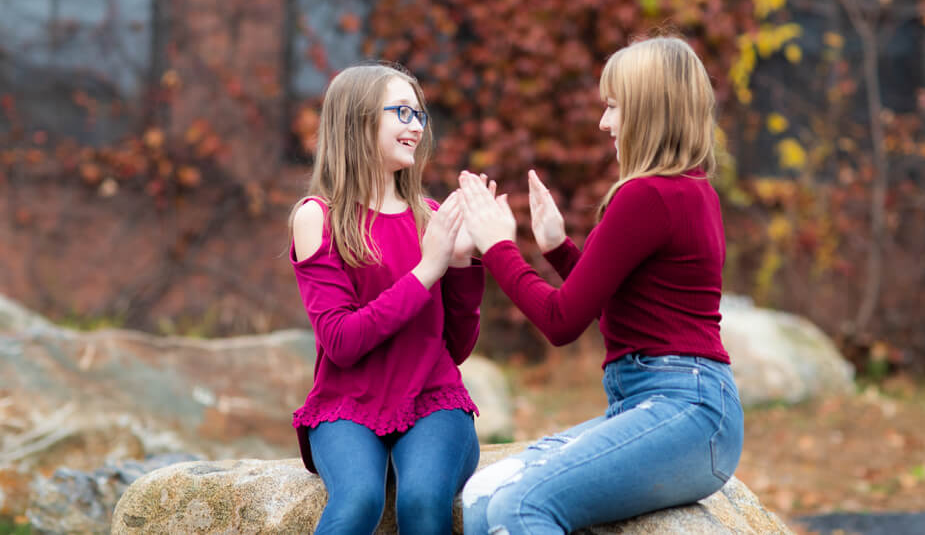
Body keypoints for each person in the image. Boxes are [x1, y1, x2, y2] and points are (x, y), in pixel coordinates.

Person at [457, 36, 744, 534]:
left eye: (614, 106)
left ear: (648, 110)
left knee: (517, 507)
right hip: (670, 408)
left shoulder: (647, 195)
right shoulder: (689, 190)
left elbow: (561, 321)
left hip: (686, 411)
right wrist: (557, 249)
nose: (604, 123)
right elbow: (628, 308)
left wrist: (498, 246)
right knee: (482, 497)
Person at [289, 63, 485, 534]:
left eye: (419, 114)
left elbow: (455, 347)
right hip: (347, 404)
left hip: (433, 400)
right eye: (401, 112)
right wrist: (426, 270)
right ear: (357, 120)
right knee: (358, 499)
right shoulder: (319, 217)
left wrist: (461, 264)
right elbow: (341, 341)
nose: (416, 126)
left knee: (422, 500)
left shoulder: (430, 218)